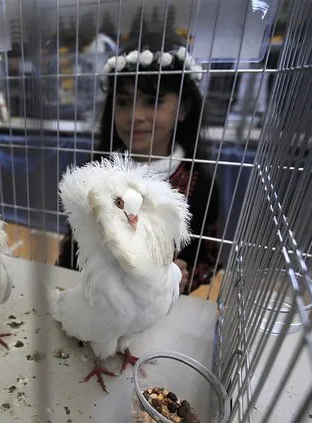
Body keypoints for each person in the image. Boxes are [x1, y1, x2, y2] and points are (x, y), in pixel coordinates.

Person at [56, 31, 222, 295]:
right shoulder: (94, 172)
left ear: (183, 109)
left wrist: (180, 278)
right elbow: (73, 247)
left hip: (160, 314)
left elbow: (207, 259)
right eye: (123, 102)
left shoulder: (200, 186)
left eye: (153, 101)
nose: (135, 116)